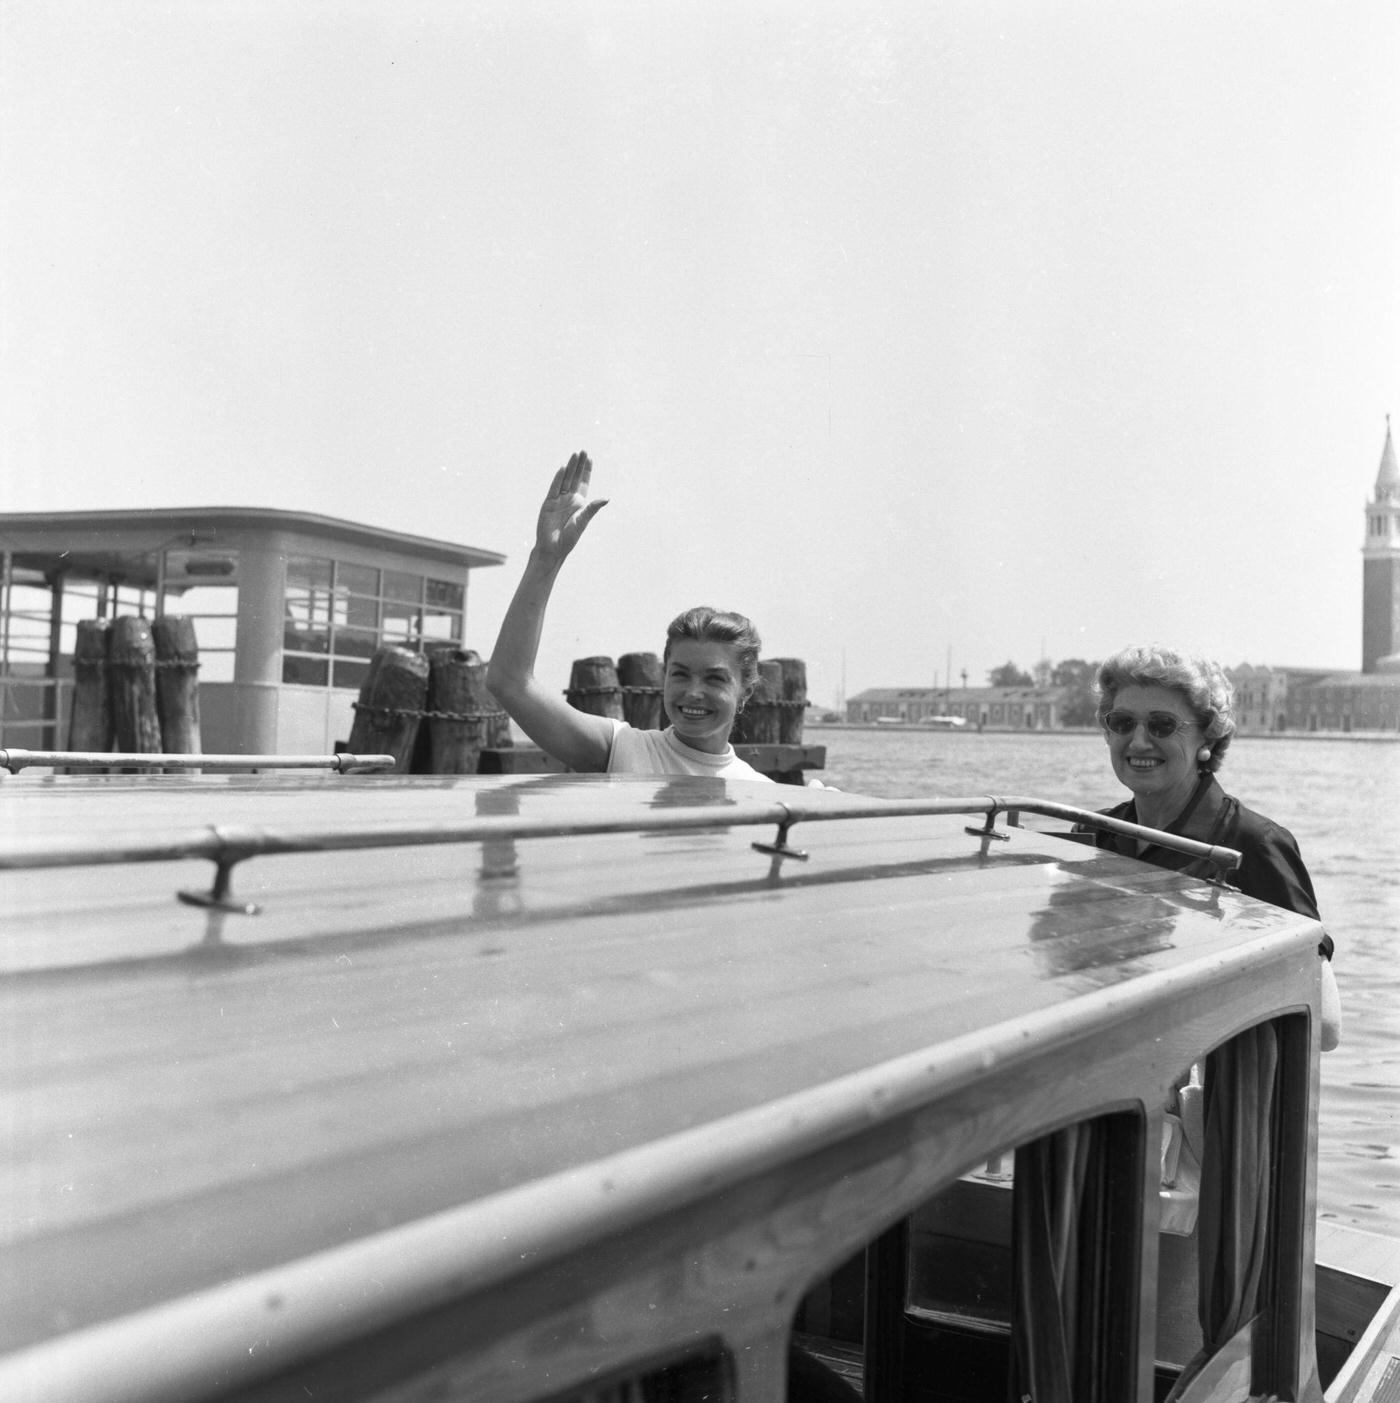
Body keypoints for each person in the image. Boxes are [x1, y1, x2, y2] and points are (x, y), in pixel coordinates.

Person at [1080, 643, 1340, 1048]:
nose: (1139, 741)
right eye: (1123, 722)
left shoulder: (1253, 843)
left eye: (1162, 725)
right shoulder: (1091, 836)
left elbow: (1323, 1026)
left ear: (1208, 736)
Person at [486, 451, 773, 783]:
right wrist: (546, 558)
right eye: (680, 674)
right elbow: (509, 682)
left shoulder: (764, 792)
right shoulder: (621, 750)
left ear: (745, 693)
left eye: (715, 678)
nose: (693, 692)